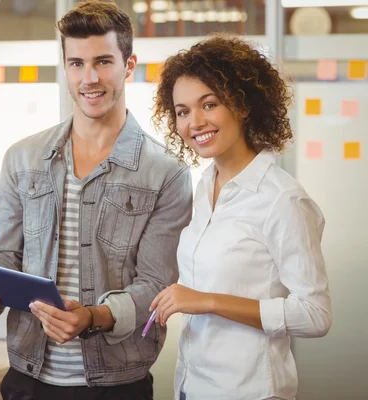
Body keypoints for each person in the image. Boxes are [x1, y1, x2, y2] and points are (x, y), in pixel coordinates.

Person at [0, 2, 192, 400]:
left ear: (129, 65)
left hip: (117, 383)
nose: (90, 78)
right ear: (65, 66)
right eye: (77, 63)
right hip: (27, 376)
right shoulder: (22, 158)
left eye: (103, 62)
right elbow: (5, 255)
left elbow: (155, 286)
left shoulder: (166, 172)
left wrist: (92, 316)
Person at [150, 34, 333, 400]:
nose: (195, 122)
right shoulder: (204, 187)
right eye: (183, 111)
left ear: (243, 105)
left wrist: (209, 300)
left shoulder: (281, 199)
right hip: (192, 385)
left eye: (210, 104)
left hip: (250, 390)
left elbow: (315, 315)